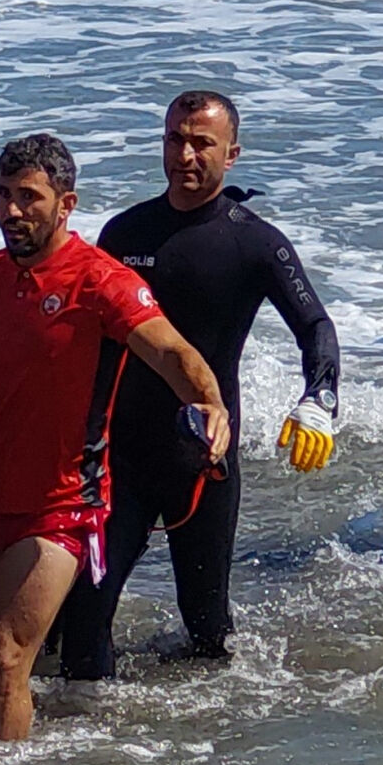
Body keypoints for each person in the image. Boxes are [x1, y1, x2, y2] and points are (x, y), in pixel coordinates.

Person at [0, 136, 231, 743]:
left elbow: (169, 349)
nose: (12, 211)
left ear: (65, 205)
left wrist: (208, 401)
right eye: (5, 195)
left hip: (64, 505)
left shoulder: (100, 282)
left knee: (7, 651)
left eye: (30, 199)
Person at [55, 91, 340, 675]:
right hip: (120, 460)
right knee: (84, 617)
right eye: (174, 140)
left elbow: (315, 326)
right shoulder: (125, 233)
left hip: (202, 464)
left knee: (207, 634)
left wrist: (320, 398)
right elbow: (81, 339)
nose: (185, 154)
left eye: (201, 143)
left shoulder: (255, 242)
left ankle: (202, 748)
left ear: (231, 154)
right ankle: (90, 744)